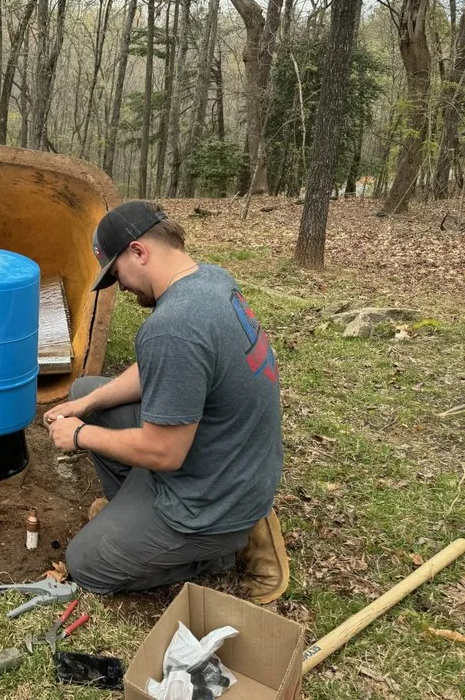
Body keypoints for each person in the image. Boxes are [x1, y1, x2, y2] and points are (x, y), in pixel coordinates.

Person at [45, 201, 289, 602]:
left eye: (117, 273)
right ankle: (142, 520)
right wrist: (85, 408)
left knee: (86, 563)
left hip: (212, 498)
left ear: (139, 251)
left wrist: (81, 434)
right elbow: (160, 369)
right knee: (86, 392)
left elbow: (165, 452)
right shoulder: (210, 279)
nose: (121, 287)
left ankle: (225, 547)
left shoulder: (173, 326)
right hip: (232, 459)